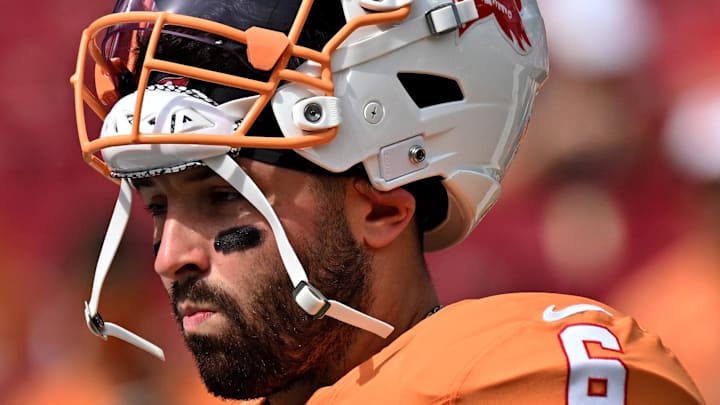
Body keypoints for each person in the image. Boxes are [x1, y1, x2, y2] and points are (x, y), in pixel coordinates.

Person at [68, 0, 705, 403]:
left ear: (380, 208)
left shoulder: (501, 377)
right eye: (156, 205)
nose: (169, 258)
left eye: (218, 195)